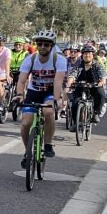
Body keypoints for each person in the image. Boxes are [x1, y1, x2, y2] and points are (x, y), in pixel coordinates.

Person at [15, 30, 67, 167]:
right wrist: (20, 95)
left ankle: (48, 144)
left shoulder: (59, 60)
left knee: (48, 112)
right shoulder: (30, 59)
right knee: (26, 123)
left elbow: (57, 82)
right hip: (34, 92)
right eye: (39, 44)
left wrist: (56, 100)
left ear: (51, 46)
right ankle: (28, 152)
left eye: (46, 44)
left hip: (49, 92)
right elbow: (21, 81)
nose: (42, 47)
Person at [69, 43, 105, 122]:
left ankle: (96, 114)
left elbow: (103, 77)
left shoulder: (98, 65)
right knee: (74, 103)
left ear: (93, 55)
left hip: (94, 87)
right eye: (85, 53)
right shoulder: (79, 65)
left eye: (89, 53)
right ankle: (76, 123)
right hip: (80, 87)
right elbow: (72, 75)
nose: (87, 55)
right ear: (82, 55)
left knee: (101, 94)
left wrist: (101, 82)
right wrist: (69, 82)